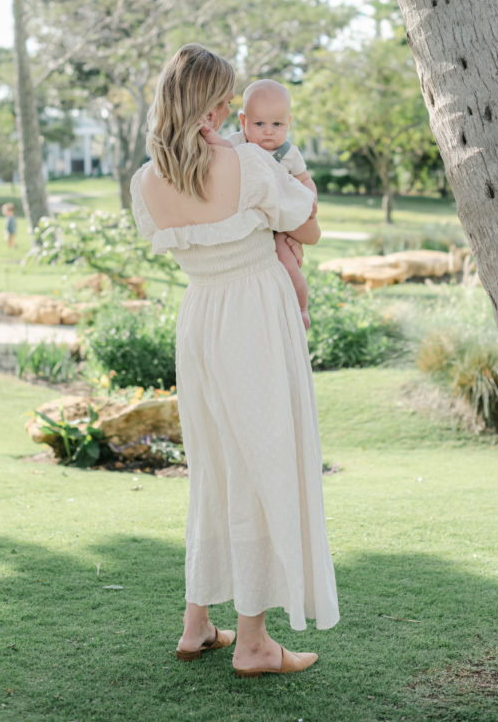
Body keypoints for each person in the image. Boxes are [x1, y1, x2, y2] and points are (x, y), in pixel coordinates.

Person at [130, 44, 338, 678]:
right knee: (260, 464)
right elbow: (308, 228)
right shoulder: (246, 162)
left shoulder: (145, 181)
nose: (230, 108)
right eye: (222, 99)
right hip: (254, 318)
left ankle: (197, 624)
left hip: (200, 320)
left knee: (214, 467)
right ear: (204, 105)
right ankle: (252, 642)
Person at [218, 79, 315, 330]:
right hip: (252, 224)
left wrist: (311, 201)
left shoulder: (288, 153)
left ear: (288, 123)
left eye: (277, 124)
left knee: (289, 264)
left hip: (282, 225)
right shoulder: (237, 145)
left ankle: (301, 309)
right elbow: (218, 152)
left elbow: (305, 180)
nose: (268, 131)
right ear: (243, 122)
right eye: (259, 124)